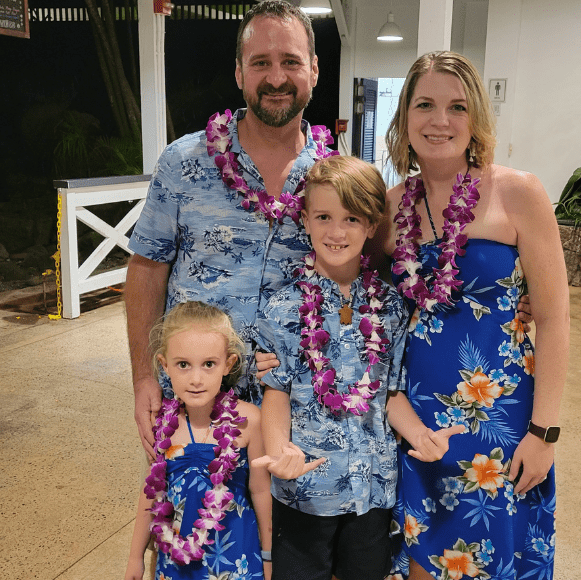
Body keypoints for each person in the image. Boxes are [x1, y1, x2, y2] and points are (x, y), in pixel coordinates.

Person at [373, 52, 570, 580]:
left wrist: (545, 433)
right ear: (404, 118)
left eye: (457, 107)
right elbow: (361, 300)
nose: (440, 120)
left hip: (503, 425)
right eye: (426, 105)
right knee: (421, 561)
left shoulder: (518, 192)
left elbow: (553, 318)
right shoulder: (387, 207)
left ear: (477, 117)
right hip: (417, 424)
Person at [125, 0, 328, 458]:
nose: (276, 78)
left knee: (282, 532)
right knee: (192, 526)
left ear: (314, 70)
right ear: (239, 73)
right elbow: (145, 269)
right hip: (194, 405)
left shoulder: (336, 178)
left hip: (299, 412)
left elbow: (373, 269)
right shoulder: (183, 162)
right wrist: (141, 376)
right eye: (261, 63)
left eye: (291, 62)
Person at [254, 155, 465, 580]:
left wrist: (420, 436)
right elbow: (276, 391)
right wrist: (279, 452)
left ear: (371, 226)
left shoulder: (389, 308)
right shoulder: (281, 308)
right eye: (324, 216)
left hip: (372, 489)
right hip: (306, 487)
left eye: (351, 218)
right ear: (306, 221)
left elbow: (390, 394)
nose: (336, 231)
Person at [124, 302, 272, 580]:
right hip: (178, 559)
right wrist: (135, 557)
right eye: (183, 364)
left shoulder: (249, 420)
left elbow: (261, 491)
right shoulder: (162, 425)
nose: (195, 378)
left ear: (227, 364)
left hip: (236, 554)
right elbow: (151, 493)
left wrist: (269, 556)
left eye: (208, 364)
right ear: (164, 365)